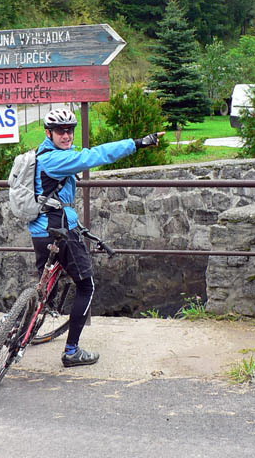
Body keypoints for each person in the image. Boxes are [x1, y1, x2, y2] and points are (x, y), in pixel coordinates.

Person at [30, 107, 163, 367]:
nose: (66, 135)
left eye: (70, 130)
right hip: (59, 230)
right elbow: (96, 155)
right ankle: (71, 351)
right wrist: (137, 143)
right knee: (86, 286)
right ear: (48, 133)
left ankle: (16, 326)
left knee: (46, 285)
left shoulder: (41, 154)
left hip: (40, 230)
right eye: (60, 131)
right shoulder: (56, 160)